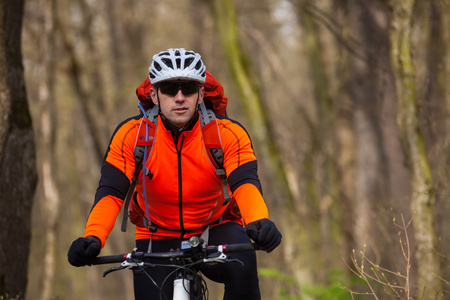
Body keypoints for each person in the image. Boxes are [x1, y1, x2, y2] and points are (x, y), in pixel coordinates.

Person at [68, 48, 282, 300]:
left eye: (188, 89)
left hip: (214, 228)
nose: (179, 97)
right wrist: (93, 237)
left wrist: (258, 221)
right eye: (169, 89)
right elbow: (111, 193)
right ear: (154, 95)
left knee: (243, 264)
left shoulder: (226, 134)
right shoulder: (132, 135)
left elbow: (245, 183)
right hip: (155, 233)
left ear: (201, 94)